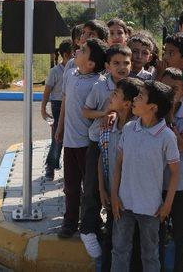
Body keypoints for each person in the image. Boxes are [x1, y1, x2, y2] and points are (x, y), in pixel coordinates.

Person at [111, 80, 180, 271]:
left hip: (151, 208)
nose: (135, 99)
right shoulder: (128, 129)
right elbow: (118, 164)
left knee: (150, 254)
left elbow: (175, 173)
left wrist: (167, 205)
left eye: (140, 96)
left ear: (153, 107)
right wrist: (114, 196)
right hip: (124, 204)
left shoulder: (167, 136)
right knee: (119, 251)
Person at [79, 44, 133, 257]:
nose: (122, 67)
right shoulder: (100, 86)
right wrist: (104, 113)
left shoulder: (135, 86)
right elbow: (85, 110)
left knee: (117, 185)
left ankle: (112, 227)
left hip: (124, 141)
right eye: (116, 63)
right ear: (107, 66)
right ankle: (88, 229)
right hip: (98, 140)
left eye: (126, 63)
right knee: (93, 185)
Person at [55, 38, 108, 239]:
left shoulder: (99, 83)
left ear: (91, 64)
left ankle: (93, 221)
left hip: (88, 145)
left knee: (90, 188)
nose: (77, 49)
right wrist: (59, 129)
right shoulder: (70, 74)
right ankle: (69, 222)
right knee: (70, 186)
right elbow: (65, 102)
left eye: (83, 50)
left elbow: (101, 113)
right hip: (69, 143)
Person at [98, 77, 143, 271]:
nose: (111, 96)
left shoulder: (137, 130)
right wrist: (102, 189)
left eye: (116, 94)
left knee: (134, 245)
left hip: (132, 200)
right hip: (111, 196)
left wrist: (117, 195)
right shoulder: (110, 125)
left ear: (127, 103)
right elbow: (102, 156)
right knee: (113, 240)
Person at [159, 67, 183, 271]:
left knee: (182, 232)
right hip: (157, 184)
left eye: (175, 89)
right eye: (165, 87)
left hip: (181, 185)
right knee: (158, 233)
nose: (170, 92)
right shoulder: (152, 112)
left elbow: (182, 146)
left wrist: (171, 118)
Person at [41, 39, 73, 180]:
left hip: (72, 105)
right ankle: (51, 166)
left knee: (71, 137)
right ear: (65, 55)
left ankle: (69, 169)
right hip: (58, 105)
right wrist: (43, 108)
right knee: (57, 137)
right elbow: (47, 91)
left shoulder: (76, 70)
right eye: (73, 53)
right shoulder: (55, 71)